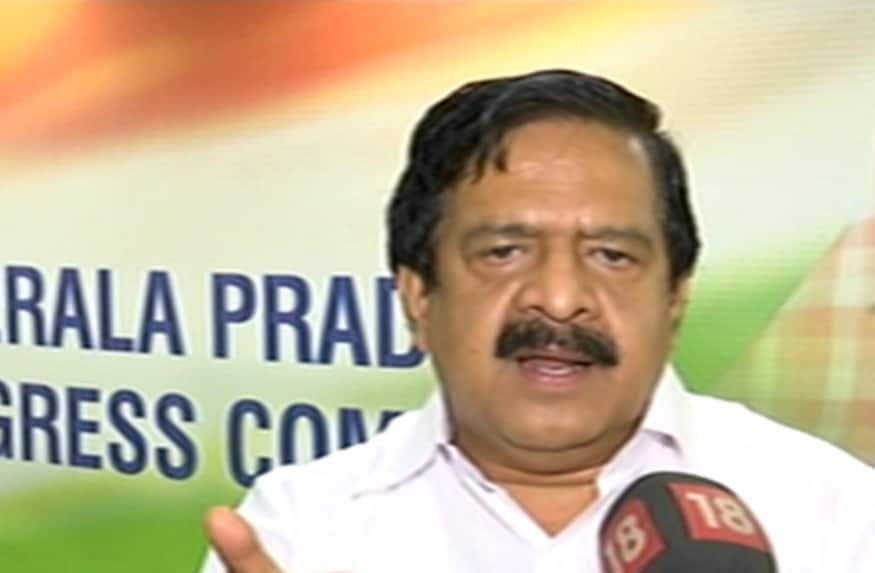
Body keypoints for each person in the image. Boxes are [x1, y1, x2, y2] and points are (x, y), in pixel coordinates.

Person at [200, 70, 875, 573]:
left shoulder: (835, 514)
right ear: (419, 295)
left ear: (674, 297)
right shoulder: (301, 527)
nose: (558, 299)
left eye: (611, 256)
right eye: (504, 252)